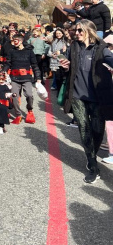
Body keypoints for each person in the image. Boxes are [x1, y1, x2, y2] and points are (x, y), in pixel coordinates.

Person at [59, 19, 113, 183]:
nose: (76, 33)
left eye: (80, 31)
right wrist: (65, 66)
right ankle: (93, 166)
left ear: (90, 31)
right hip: (77, 96)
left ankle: (91, 153)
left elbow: (110, 59)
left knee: (97, 132)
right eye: (75, 31)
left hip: (97, 98)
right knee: (84, 129)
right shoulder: (74, 47)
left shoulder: (101, 48)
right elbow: (68, 66)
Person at [7, 32, 41, 124]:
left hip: (26, 78)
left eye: (16, 41)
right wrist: (3, 72)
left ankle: (30, 110)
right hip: (14, 78)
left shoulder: (29, 51)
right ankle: (18, 114)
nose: (14, 42)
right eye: (13, 41)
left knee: (29, 95)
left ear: (21, 41)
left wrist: (38, 78)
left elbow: (34, 65)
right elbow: (8, 63)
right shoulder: (11, 51)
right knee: (14, 96)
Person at [47, 27, 67, 95]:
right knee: (57, 78)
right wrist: (51, 55)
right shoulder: (53, 41)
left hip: (61, 61)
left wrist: (60, 53)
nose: (58, 35)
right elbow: (49, 51)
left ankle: (61, 93)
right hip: (54, 61)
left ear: (62, 33)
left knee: (61, 78)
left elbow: (66, 51)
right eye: (57, 33)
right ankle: (58, 92)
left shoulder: (65, 41)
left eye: (59, 33)